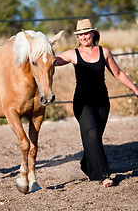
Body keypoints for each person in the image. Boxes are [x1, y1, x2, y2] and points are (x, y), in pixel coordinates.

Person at [55, 19, 138, 187]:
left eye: (87, 33)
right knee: (92, 135)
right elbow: (51, 61)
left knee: (94, 138)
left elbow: (118, 73)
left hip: (102, 102)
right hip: (82, 103)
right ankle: (104, 175)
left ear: (93, 33)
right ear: (77, 37)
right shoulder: (73, 54)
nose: (84, 37)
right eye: (80, 34)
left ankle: (87, 165)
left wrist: (135, 89)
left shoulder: (104, 52)